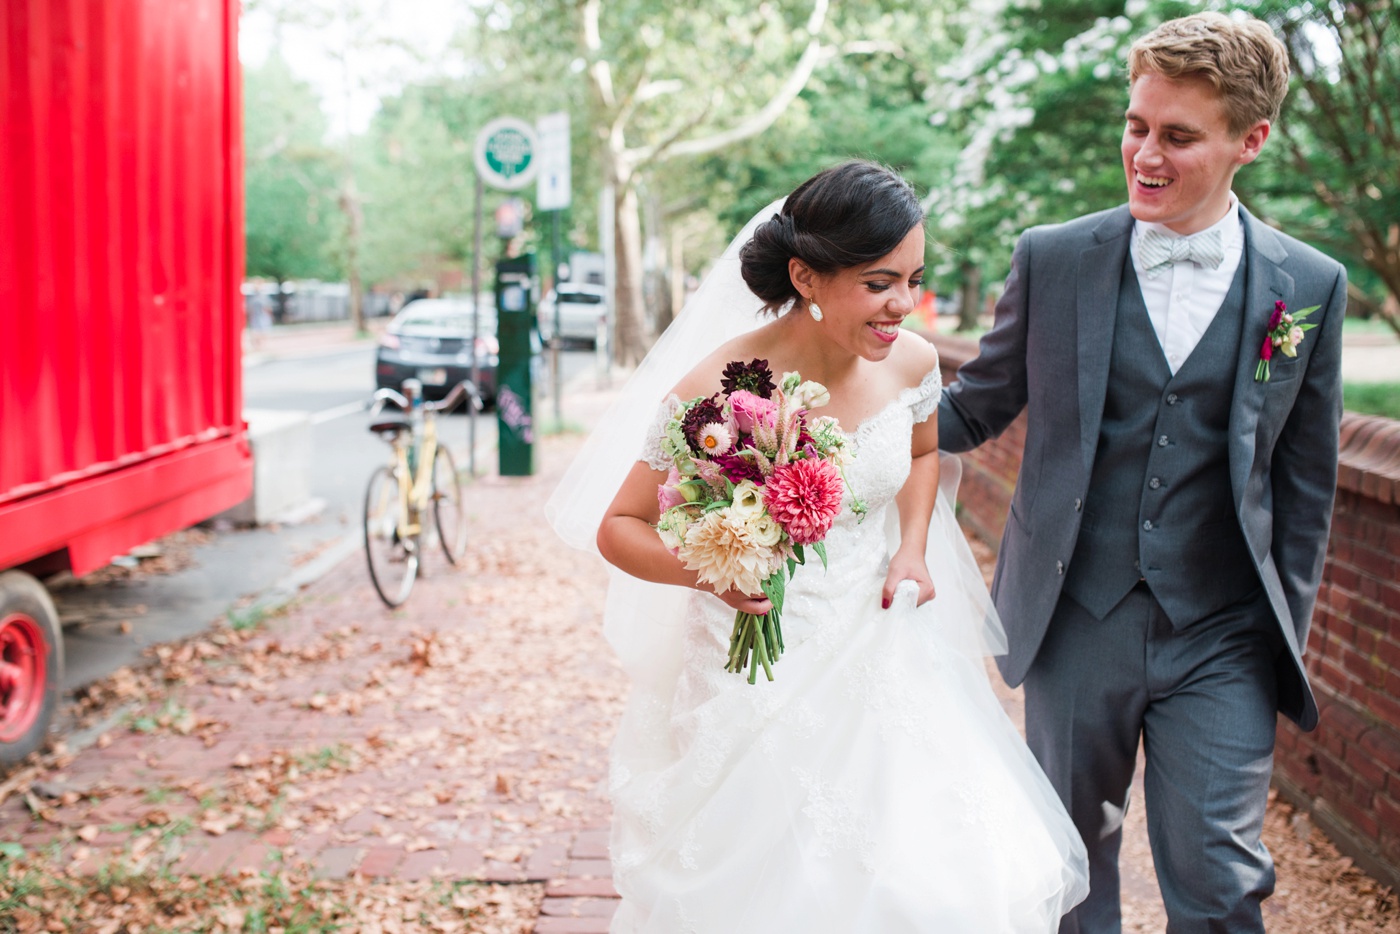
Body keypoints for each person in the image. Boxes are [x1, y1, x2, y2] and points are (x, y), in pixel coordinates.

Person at [548, 161, 1088, 932]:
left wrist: (911, 548)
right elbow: (619, 527)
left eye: (913, 279)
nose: (903, 304)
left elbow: (926, 452)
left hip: (882, 641)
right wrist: (711, 572)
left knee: (924, 879)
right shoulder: (722, 390)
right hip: (755, 664)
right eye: (878, 283)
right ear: (806, 275)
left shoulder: (911, 361)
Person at [937, 13, 1346, 933]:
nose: (1144, 153)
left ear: (1252, 140)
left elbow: (1306, 481)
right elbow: (975, 405)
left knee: (1222, 877)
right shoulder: (1053, 258)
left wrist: (1284, 629)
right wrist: (830, 426)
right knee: (1069, 872)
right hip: (1076, 616)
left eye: (1177, 136)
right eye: (1136, 125)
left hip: (1225, 635)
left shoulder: (1309, 285)